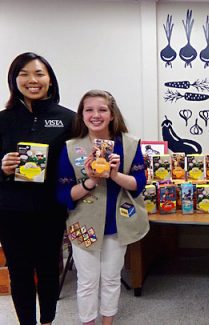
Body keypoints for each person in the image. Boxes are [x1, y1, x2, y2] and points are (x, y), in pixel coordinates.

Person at [57, 90, 149, 325]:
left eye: (102, 109)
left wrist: (115, 175)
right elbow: (64, 194)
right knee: (87, 280)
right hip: (84, 224)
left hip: (118, 223)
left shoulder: (128, 145)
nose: (95, 115)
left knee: (110, 278)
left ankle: (107, 322)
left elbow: (138, 185)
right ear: (82, 114)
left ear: (111, 114)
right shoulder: (71, 148)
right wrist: (91, 180)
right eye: (89, 109)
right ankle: (88, 322)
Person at [0, 52, 75, 325]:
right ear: (14, 80)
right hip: (10, 209)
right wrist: (2, 168)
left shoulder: (68, 119)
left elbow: (78, 161)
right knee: (19, 271)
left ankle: (47, 321)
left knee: (47, 268)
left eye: (39, 74)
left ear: (50, 81)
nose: (32, 80)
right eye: (24, 74)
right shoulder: (3, 119)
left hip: (50, 208)